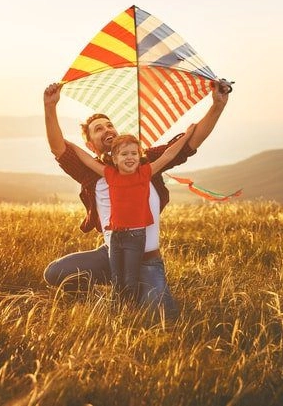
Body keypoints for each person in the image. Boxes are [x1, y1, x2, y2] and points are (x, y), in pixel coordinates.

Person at [42, 80, 230, 314]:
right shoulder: (89, 173)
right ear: (91, 145)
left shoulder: (144, 163)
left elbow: (188, 144)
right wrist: (50, 106)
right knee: (54, 272)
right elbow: (59, 148)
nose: (107, 129)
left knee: (157, 319)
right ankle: (94, 300)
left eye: (109, 125)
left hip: (146, 260)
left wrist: (217, 105)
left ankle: (140, 294)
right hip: (111, 255)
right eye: (99, 129)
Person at [69, 130, 195, 304]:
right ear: (115, 159)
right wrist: (70, 144)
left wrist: (187, 135)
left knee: (129, 280)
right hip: (115, 237)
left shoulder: (144, 173)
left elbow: (168, 155)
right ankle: (118, 312)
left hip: (135, 238)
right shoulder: (110, 175)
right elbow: (87, 160)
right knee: (117, 280)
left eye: (134, 153)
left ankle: (132, 308)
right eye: (124, 154)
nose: (130, 157)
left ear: (139, 155)